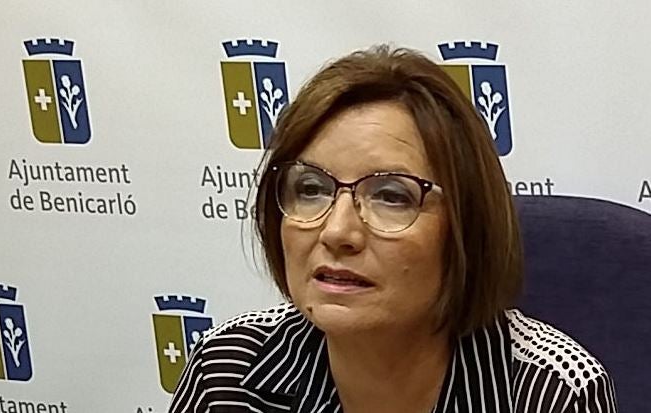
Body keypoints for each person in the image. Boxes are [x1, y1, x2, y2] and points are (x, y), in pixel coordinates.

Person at [169, 45, 617, 412]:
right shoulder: (227, 368)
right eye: (311, 189)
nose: (336, 232)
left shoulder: (549, 392)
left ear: (465, 227)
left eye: (391, 196)